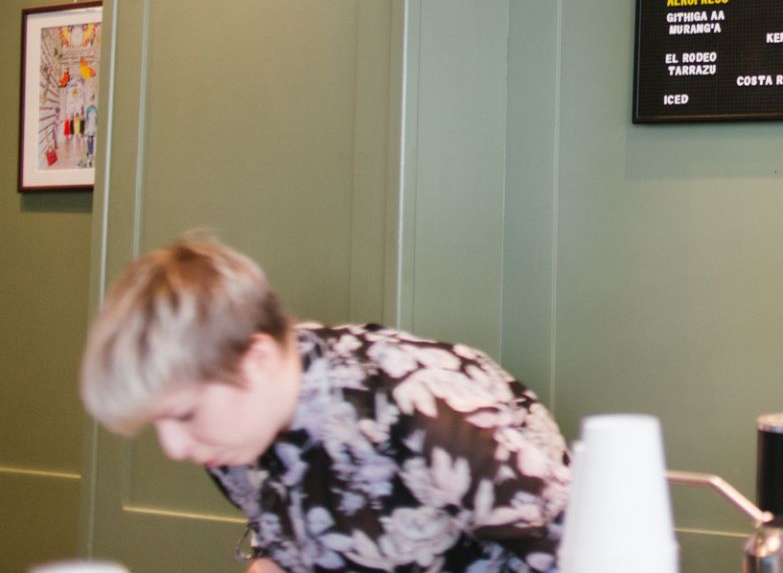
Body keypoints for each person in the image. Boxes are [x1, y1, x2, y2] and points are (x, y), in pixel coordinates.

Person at [80, 234, 570, 572]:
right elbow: (287, 546)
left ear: (256, 360)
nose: (174, 447)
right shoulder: (234, 440)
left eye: (185, 415)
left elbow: (584, 551)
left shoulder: (420, 410)